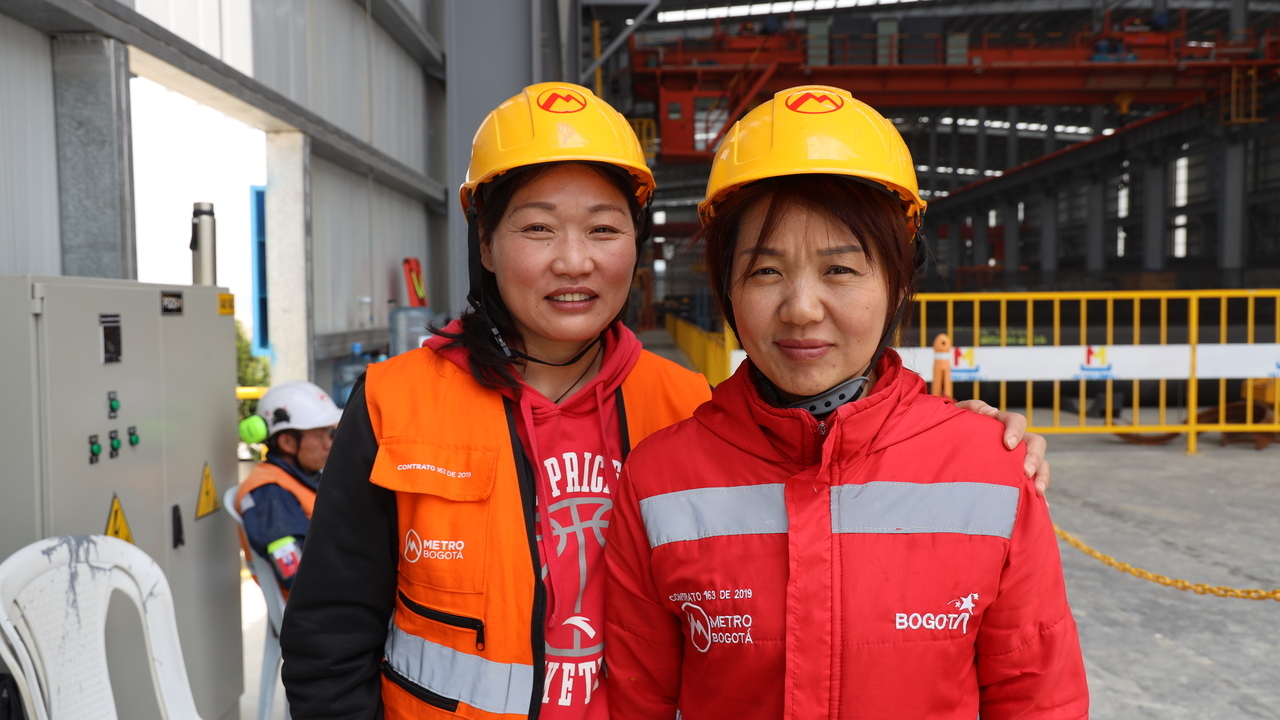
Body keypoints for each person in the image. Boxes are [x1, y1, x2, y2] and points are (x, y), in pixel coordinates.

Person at [279, 82, 1051, 720]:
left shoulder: (685, 407)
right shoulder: (394, 400)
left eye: (603, 228)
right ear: (484, 243)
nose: (572, 260)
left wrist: (958, 443)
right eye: (537, 228)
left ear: (636, 248)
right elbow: (329, 633)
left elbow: (821, 462)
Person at [604, 85, 1088, 719]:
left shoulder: (991, 470)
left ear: (897, 280)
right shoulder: (660, 481)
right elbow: (633, 703)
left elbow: (1036, 699)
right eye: (765, 271)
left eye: (840, 270)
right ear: (727, 289)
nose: (801, 308)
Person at [235, 380, 342, 593]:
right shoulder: (270, 495)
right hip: (322, 615)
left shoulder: (302, 477)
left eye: (329, 434)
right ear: (287, 443)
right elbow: (297, 576)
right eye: (320, 435)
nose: (329, 443)